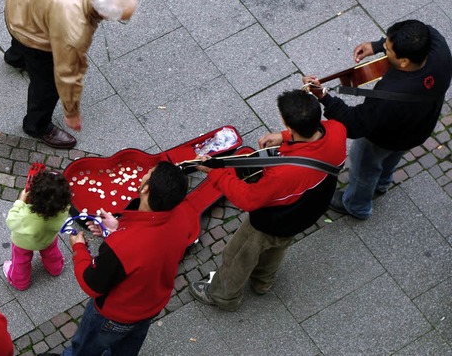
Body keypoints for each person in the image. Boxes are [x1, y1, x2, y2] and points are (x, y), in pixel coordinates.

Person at [188, 90, 347, 312]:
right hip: (307, 211)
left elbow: (248, 200)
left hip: (272, 221)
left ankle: (223, 295)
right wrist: (285, 137)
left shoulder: (282, 174)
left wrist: (214, 173)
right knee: (278, 247)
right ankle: (263, 282)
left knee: (238, 255)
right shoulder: (338, 130)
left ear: (287, 122)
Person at [304, 19, 452, 220]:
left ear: (404, 62)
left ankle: (357, 205)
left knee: (364, 168)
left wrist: (324, 97)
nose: (384, 49)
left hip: (384, 137)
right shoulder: (440, 50)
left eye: (388, 50)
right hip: (420, 127)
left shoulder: (390, 96)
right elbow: (428, 30)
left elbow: (355, 123)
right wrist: (376, 46)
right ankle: (383, 183)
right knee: (394, 155)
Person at [62, 161, 199, 355]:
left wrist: (79, 248)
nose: (143, 175)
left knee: (84, 349)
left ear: (146, 189)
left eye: (148, 174)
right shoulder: (182, 216)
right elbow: (150, 244)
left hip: (112, 317)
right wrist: (118, 228)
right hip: (149, 307)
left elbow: (91, 284)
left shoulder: (120, 248)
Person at [4, 0, 137, 149]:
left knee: (25, 36)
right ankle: (37, 125)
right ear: (105, 14)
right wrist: (71, 112)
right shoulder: (76, 29)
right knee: (46, 86)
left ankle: (14, 57)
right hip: (32, 34)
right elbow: (66, 72)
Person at [3, 170, 72, 290]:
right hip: (48, 239)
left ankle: (20, 282)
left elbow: (11, 220)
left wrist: (20, 202)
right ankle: (56, 268)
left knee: (21, 261)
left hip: (23, 243)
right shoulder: (63, 209)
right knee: (51, 253)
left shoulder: (25, 216)